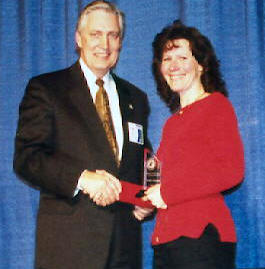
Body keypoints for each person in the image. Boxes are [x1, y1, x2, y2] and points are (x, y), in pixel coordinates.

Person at [13, 1, 152, 269]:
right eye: (95, 34)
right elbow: (27, 158)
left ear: (120, 42)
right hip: (69, 249)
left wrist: (146, 199)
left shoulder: (136, 98)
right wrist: (82, 178)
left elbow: (143, 159)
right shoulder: (47, 88)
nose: (105, 44)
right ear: (79, 39)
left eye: (112, 35)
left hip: (125, 249)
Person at [114, 20, 245, 269]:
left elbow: (231, 171)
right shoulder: (172, 124)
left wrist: (166, 193)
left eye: (183, 57)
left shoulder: (216, 106)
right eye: (167, 59)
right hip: (167, 243)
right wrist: (113, 187)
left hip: (201, 238)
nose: (174, 66)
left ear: (201, 65)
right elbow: (154, 189)